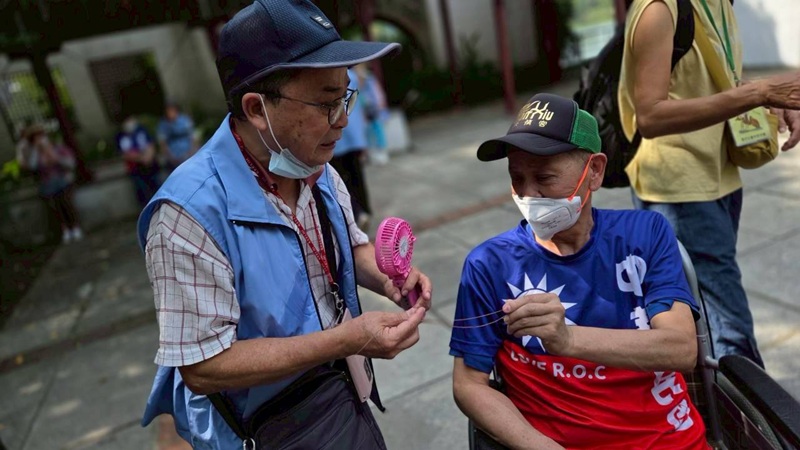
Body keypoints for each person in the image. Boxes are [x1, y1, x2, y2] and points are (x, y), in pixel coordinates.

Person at [137, 1, 433, 448]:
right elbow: (202, 366)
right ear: (257, 108)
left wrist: (389, 277)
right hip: (265, 427)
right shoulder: (187, 214)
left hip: (341, 392)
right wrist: (344, 339)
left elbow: (348, 247)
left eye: (346, 96)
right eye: (327, 103)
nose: (344, 121)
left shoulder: (314, 166)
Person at [451, 94, 708, 449]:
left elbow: (681, 349)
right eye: (516, 178)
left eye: (545, 177)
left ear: (595, 171)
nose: (528, 195)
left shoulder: (644, 234)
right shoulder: (490, 265)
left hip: (669, 440)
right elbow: (468, 384)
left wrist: (566, 340)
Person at [618, 0, 800, 367]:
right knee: (728, 328)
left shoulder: (719, 3)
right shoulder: (659, 9)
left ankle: (718, 415)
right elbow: (649, 115)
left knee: (711, 320)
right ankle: (753, 420)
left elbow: (706, 82)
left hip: (718, 174)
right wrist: (758, 93)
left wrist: (771, 100)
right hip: (678, 188)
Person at [17, 125, 83, 243]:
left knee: (66, 203)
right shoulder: (35, 154)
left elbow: (70, 163)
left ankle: (75, 227)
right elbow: (33, 166)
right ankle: (65, 230)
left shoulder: (57, 148)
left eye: (41, 137)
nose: (39, 140)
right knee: (55, 207)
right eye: (35, 139)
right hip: (47, 183)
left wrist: (55, 157)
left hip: (62, 180)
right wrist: (36, 151)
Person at [329, 68, 373, 231]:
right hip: (354, 136)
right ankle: (365, 209)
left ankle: (356, 213)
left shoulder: (328, 75)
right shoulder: (353, 76)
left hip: (337, 138)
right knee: (357, 175)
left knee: (338, 180)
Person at [116, 113, 160, 208]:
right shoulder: (120, 136)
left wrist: (148, 157)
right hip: (135, 169)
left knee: (157, 189)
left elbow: (150, 144)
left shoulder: (142, 130)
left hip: (150, 165)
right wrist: (141, 158)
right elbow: (124, 154)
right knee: (143, 193)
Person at [356, 64, 390, 166]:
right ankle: (371, 153)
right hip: (362, 112)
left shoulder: (369, 79)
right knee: (367, 132)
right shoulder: (355, 81)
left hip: (374, 110)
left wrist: (380, 106)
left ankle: (381, 151)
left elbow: (378, 95)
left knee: (378, 130)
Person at [157, 101, 198, 172]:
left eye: (172, 110)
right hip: (173, 158)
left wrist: (192, 152)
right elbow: (162, 143)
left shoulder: (185, 120)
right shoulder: (163, 124)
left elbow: (193, 137)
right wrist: (170, 158)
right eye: (168, 110)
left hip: (189, 154)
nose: (170, 112)